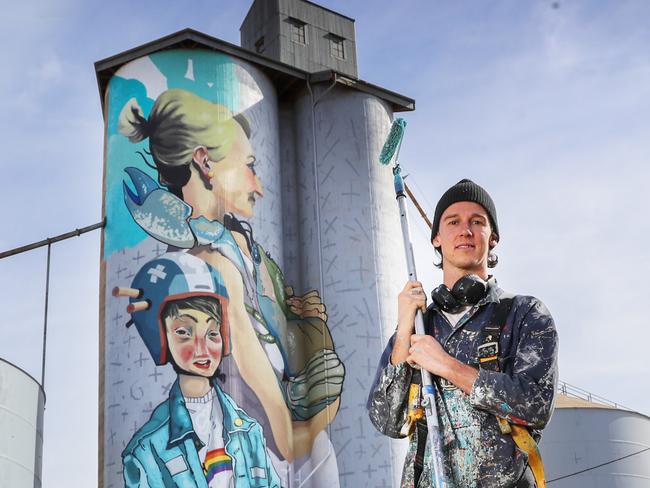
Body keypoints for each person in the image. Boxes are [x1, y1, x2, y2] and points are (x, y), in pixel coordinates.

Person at [117, 89, 344, 472]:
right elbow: (289, 443)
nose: (259, 186)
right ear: (204, 161)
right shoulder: (215, 270)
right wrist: (328, 394)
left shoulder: (239, 251)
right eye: (250, 166)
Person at [367, 179, 558, 488]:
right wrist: (403, 330)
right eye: (453, 221)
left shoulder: (524, 313)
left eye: (477, 222)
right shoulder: (418, 325)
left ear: (492, 238)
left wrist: (447, 366)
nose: (465, 230)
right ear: (437, 238)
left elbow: (535, 405)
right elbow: (386, 419)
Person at [116, 252, 281, 487]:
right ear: (160, 336)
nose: (202, 348)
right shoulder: (147, 450)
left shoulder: (249, 432)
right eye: (184, 332)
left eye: (212, 333)